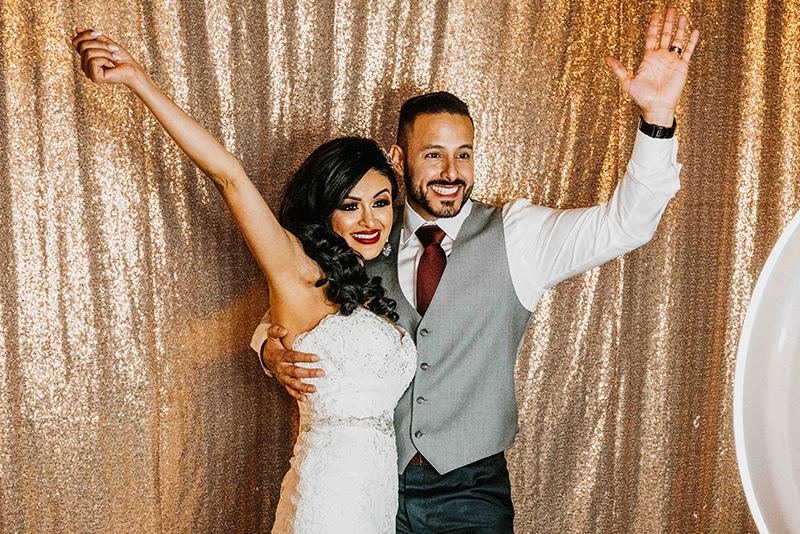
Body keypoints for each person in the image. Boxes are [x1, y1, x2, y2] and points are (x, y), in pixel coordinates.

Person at [254, 7, 699, 533]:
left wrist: (657, 119)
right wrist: (268, 350)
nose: (451, 172)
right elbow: (296, 304)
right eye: (433, 155)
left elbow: (627, 224)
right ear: (398, 157)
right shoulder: (364, 234)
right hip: (371, 484)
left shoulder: (519, 234)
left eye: (463, 155)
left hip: (470, 491)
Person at [71, 29, 417, 533]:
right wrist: (139, 81)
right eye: (350, 205)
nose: (370, 220)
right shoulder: (297, 270)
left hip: (376, 497)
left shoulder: (364, 291)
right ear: (325, 212)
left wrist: (266, 347)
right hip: (330, 499)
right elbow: (229, 176)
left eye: (381, 202)